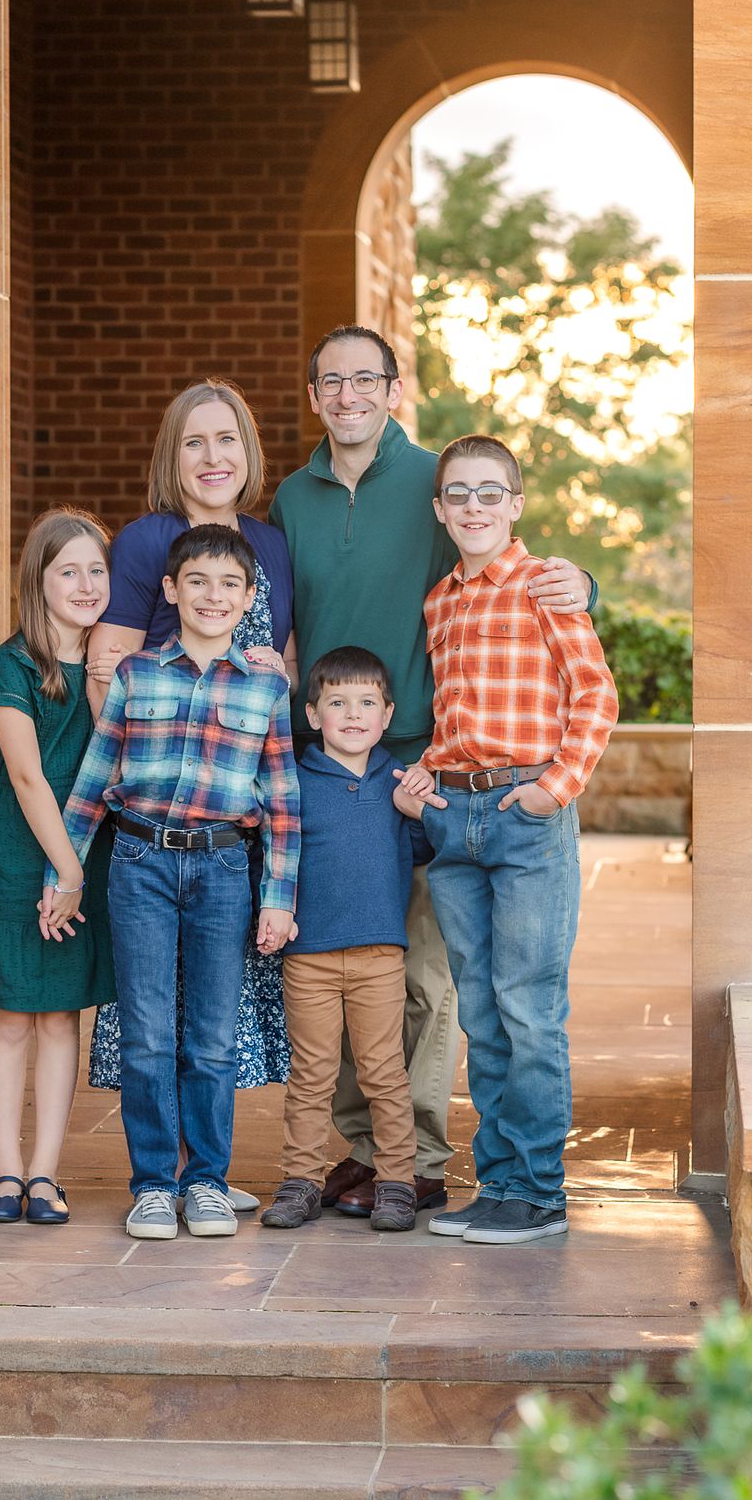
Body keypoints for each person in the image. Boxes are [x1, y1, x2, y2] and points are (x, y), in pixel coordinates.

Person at [269, 325, 595, 1218]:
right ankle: (363, 1150)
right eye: (329, 382)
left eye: (364, 379)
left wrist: (584, 586)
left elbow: (506, 556)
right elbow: (285, 611)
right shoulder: (292, 498)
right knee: (335, 953)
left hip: (423, 764)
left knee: (422, 977)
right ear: (314, 397)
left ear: (393, 388)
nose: (347, 396)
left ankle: (418, 1158)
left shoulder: (430, 481)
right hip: (331, 757)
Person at [41, 524, 300, 1242]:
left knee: (213, 1036)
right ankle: (154, 1184)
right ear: (170, 590)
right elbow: (94, 781)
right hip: (140, 864)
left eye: (229, 585)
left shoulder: (267, 689)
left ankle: (208, 1181)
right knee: (149, 1035)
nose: (212, 596)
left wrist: (279, 897)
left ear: (249, 598)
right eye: (197, 582)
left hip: (222, 869)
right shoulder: (136, 675)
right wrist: (62, 872)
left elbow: (281, 800)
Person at [397, 435, 618, 1245]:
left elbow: (595, 698)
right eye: (459, 494)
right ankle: (499, 1188)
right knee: (483, 1014)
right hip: (456, 821)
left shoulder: (544, 585)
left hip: (526, 820)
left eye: (491, 494)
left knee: (530, 1010)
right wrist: (423, 777)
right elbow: (457, 718)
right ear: (440, 508)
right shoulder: (441, 602)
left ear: (516, 505)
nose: (475, 508)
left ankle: (540, 1194)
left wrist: (548, 793)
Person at [84, 383, 295, 1210]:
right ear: (171, 457)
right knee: (151, 1011)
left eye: (228, 441)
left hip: (231, 829)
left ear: (249, 453)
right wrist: (150, 778)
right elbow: (110, 671)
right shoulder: (146, 542)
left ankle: (202, 1175)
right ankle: (160, 1178)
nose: (213, 459)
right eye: (194, 443)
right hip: (153, 814)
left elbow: (278, 660)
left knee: (215, 1014)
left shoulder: (272, 548)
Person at [0, 508, 117, 1226]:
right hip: (19, 855)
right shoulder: (12, 665)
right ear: (37, 581)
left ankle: (47, 1172)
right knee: (13, 1013)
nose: (85, 583)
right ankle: (6, 1173)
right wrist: (66, 873)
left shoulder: (111, 666)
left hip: (83, 851)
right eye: (68, 570)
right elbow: (25, 776)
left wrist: (78, 873)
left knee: (58, 1018)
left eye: (96, 570)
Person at [261, 647, 429, 1235]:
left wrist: (416, 813)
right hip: (309, 956)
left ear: (387, 715)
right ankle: (300, 1182)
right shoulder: (294, 780)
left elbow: (428, 849)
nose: (352, 715)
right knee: (312, 1073)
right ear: (312, 713)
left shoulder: (402, 780)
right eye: (337, 702)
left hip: (381, 953)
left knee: (385, 1071)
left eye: (366, 704)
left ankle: (398, 1183)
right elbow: (272, 853)